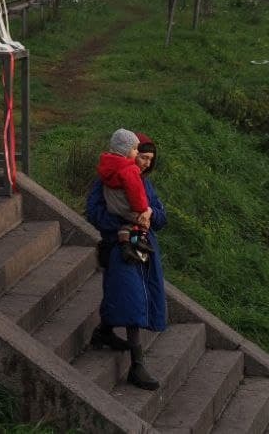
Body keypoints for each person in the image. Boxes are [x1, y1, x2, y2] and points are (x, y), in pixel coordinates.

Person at [86, 132, 166, 391]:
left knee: (126, 294)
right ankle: (137, 363)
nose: (144, 164)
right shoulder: (107, 182)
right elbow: (94, 213)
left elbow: (162, 217)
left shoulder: (143, 184)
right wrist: (123, 224)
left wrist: (150, 215)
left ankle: (104, 331)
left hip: (144, 249)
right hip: (120, 249)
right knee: (132, 297)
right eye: (142, 157)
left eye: (149, 160)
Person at [97, 129, 152, 262]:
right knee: (142, 222)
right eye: (134, 149)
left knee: (126, 226)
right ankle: (140, 242)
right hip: (125, 207)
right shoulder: (129, 169)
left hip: (112, 207)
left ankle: (126, 245)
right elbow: (135, 193)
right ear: (124, 150)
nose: (137, 152)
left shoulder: (106, 164)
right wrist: (143, 208)